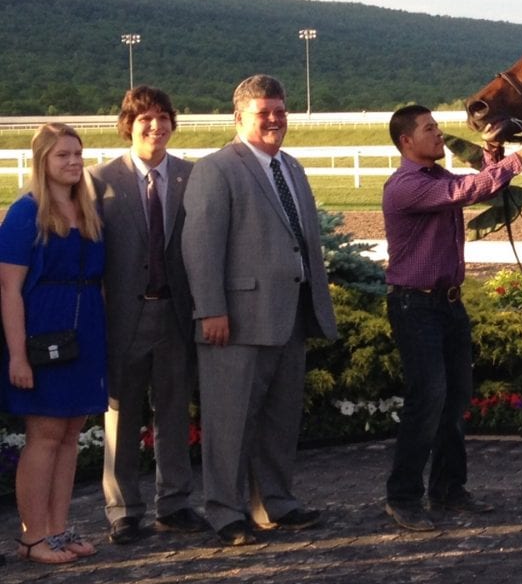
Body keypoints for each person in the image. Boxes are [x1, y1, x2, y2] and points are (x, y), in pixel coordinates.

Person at [181, 74, 338, 547]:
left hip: (290, 315)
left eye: (279, 110)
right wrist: (210, 309)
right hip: (236, 322)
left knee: (279, 418)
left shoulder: (291, 167)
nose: (274, 119)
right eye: (263, 113)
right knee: (230, 422)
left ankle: (277, 503)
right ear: (239, 118)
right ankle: (225, 511)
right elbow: (200, 246)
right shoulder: (216, 169)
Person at [381, 105, 522, 531]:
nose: (439, 134)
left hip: (445, 305)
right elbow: (466, 193)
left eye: (437, 126)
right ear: (407, 141)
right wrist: (517, 160)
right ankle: (403, 496)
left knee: (454, 398)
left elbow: (477, 185)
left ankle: (448, 489)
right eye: (429, 129)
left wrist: (493, 151)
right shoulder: (405, 186)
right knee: (428, 400)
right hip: (415, 306)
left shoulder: (436, 178)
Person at [90, 86, 205, 545]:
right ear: (128, 126)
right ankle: (123, 509)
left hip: (175, 315)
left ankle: (175, 504)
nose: (155, 127)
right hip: (121, 319)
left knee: (174, 413)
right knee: (121, 413)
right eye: (145, 120)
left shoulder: (192, 177)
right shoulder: (99, 182)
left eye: (163, 118)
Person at [1, 123, 107, 564]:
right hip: (42, 332)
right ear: (42, 160)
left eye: (78, 154)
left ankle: (58, 530)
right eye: (63, 155)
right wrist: (18, 355)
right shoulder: (25, 213)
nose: (73, 162)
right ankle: (32, 537)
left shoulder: (88, 209)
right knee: (43, 436)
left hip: (86, 333)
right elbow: (8, 290)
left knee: (69, 435)